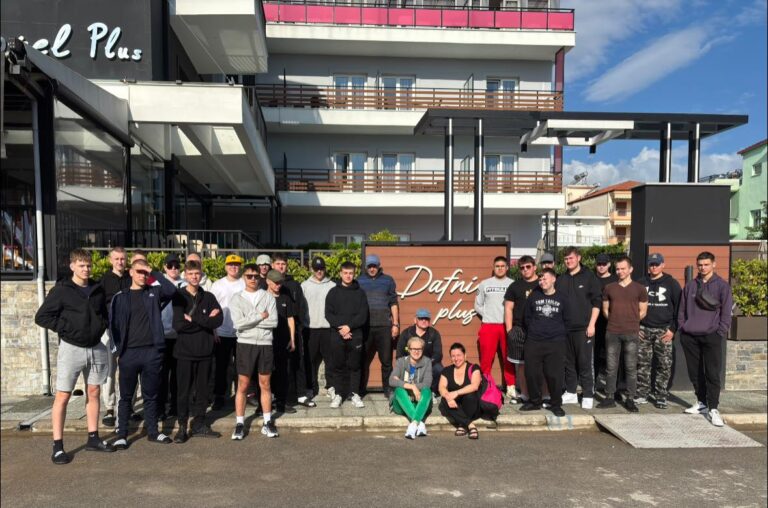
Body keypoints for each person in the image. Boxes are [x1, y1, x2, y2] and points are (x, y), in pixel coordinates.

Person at [35, 248, 115, 464]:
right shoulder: (62, 290)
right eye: (81, 265)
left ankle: (93, 438)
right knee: (63, 395)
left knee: (94, 391)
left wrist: (100, 326)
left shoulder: (97, 289)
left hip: (96, 347)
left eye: (88, 265)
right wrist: (66, 328)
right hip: (71, 349)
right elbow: (42, 317)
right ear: (72, 266)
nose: (86, 269)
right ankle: (58, 446)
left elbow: (103, 315)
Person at [109, 258, 178, 449]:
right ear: (130, 272)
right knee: (126, 397)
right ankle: (122, 434)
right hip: (129, 354)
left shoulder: (153, 293)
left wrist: (153, 271)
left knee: (151, 395)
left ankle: (153, 432)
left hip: (152, 352)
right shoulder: (120, 297)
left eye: (145, 273)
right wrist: (118, 350)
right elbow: (113, 325)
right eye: (139, 271)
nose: (143, 275)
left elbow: (171, 290)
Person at [678, 251, 733, 427]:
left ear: (714, 264)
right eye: (700, 265)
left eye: (706, 264)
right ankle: (701, 402)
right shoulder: (690, 286)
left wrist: (720, 331)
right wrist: (683, 327)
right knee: (694, 372)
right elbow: (682, 309)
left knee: (712, 373)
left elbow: (726, 312)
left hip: (712, 335)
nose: (703, 268)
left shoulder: (722, 286)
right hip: (690, 336)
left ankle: (713, 408)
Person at [172, 260, 224, 442]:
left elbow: (218, 321)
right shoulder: (178, 296)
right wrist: (205, 320)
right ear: (185, 275)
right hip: (185, 352)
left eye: (197, 273)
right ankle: (182, 427)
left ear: (201, 275)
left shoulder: (209, 297)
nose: (194, 277)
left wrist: (193, 319)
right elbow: (178, 325)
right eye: (191, 274)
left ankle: (200, 424)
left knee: (203, 392)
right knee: (183, 392)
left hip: (205, 352)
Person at [229, 263, 279, 440]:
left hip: (265, 343)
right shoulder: (236, 298)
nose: (252, 279)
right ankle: (239, 423)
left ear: (260, 277)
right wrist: (260, 316)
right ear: (244, 277)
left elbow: (273, 322)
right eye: (249, 276)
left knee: (265, 384)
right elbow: (238, 324)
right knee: (242, 384)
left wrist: (250, 321)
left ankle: (267, 421)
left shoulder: (268, 297)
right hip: (245, 344)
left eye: (256, 276)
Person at [598, 256, 648, 412]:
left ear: (630, 269)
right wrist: (615, 320)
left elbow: (643, 311)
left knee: (631, 367)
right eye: (618, 269)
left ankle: (630, 399)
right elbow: (605, 310)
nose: (620, 271)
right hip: (612, 332)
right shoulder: (609, 288)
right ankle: (609, 397)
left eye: (623, 268)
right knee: (611, 367)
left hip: (631, 333)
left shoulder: (640, 289)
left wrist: (632, 322)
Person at [555, 247, 602, 409]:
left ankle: (588, 394)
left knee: (584, 362)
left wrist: (592, 324)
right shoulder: (561, 279)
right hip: (565, 329)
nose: (568, 261)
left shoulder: (589, 277)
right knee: (569, 363)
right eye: (566, 259)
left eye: (571, 258)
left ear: (579, 258)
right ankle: (571, 392)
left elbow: (597, 303)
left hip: (584, 328)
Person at [519, 268, 567, 417]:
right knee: (532, 373)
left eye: (545, 278)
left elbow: (568, 319)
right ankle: (535, 402)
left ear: (553, 279)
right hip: (534, 341)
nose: (541, 281)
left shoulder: (562, 297)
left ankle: (556, 404)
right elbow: (527, 317)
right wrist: (534, 330)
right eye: (540, 279)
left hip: (555, 342)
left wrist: (558, 333)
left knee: (554, 375)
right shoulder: (534, 296)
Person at [637, 253, 682, 409]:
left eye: (657, 264)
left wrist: (673, 329)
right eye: (651, 264)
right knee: (642, 364)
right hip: (643, 329)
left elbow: (679, 309)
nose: (654, 267)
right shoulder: (641, 283)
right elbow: (632, 307)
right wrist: (636, 326)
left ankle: (661, 396)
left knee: (664, 365)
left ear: (663, 265)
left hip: (664, 330)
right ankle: (642, 393)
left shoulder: (672, 283)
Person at [325, 261, 369, 409]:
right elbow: (328, 314)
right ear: (340, 274)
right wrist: (342, 329)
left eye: (351, 273)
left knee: (355, 366)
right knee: (338, 365)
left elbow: (363, 315)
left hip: (355, 335)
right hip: (337, 335)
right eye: (345, 273)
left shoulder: (360, 293)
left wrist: (349, 327)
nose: (348, 276)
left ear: (354, 274)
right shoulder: (333, 292)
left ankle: (355, 394)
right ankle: (338, 394)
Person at [272, 253, 314, 407]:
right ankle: (275, 395)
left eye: (283, 264)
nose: (281, 266)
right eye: (278, 264)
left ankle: (300, 394)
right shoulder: (267, 284)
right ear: (272, 265)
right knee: (276, 365)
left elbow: (301, 306)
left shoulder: (294, 284)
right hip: (273, 331)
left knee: (298, 362)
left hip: (293, 328)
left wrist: (300, 326)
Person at [358, 254, 399, 399]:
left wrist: (395, 324)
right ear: (366, 267)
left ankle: (388, 389)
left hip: (384, 327)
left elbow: (393, 303)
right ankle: (360, 389)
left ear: (379, 266)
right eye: (369, 266)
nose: (372, 269)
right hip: (365, 328)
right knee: (363, 360)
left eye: (374, 266)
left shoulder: (388, 280)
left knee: (386, 361)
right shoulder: (359, 280)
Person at [474, 256, 515, 401]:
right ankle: (486, 385)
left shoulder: (513, 284)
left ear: (507, 268)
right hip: (489, 325)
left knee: (508, 357)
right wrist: (487, 315)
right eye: (497, 266)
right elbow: (477, 305)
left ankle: (511, 387)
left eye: (503, 266)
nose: (500, 268)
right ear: (494, 268)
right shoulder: (484, 284)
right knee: (486, 359)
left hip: (507, 326)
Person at [99, 246, 131, 427]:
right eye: (117, 259)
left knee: (129, 369)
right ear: (111, 260)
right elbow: (98, 306)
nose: (120, 262)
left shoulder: (131, 278)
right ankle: (110, 408)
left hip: (131, 332)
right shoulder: (104, 280)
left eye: (122, 259)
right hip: (111, 332)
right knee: (110, 371)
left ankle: (129, 406)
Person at [210, 253, 245, 410]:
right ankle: (219, 396)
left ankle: (243, 394)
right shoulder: (217, 285)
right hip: (221, 333)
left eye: (236, 264)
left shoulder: (244, 283)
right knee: (221, 367)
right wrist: (214, 331)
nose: (233, 267)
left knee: (242, 367)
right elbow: (211, 309)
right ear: (225, 267)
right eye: (231, 264)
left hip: (240, 333)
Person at [503, 255, 539, 403]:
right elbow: (508, 308)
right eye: (522, 268)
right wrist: (509, 330)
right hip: (520, 329)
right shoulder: (515, 286)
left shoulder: (542, 283)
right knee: (522, 365)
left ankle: (542, 395)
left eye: (528, 266)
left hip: (540, 329)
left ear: (535, 267)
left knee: (540, 363)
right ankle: (524, 394)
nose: (525, 270)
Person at [301, 256, 336, 400]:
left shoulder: (332, 285)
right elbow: (301, 308)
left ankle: (331, 387)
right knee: (309, 361)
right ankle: (310, 388)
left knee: (330, 360)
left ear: (325, 269)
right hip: (310, 328)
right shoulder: (304, 286)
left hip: (328, 329)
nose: (319, 271)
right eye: (316, 269)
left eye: (321, 269)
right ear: (312, 269)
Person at [158, 253, 186, 420]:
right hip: (161, 336)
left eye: (176, 266)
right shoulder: (156, 283)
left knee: (177, 375)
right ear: (164, 267)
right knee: (161, 375)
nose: (174, 269)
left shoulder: (185, 284)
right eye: (170, 266)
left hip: (179, 337)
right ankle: (160, 409)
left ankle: (175, 407)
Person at [266, 269, 299, 414]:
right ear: (268, 281)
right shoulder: (262, 297)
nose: (278, 285)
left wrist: (292, 339)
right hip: (266, 341)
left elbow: (290, 318)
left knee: (282, 373)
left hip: (283, 341)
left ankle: (281, 402)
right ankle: (265, 403)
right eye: (275, 282)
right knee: (266, 373)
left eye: (280, 282)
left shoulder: (285, 298)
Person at [389, 337, 433, 439]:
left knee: (427, 391)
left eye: (419, 349)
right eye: (413, 349)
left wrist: (401, 382)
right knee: (399, 390)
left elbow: (427, 383)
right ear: (408, 349)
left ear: (423, 349)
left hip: (420, 401)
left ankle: (413, 425)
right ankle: (419, 423)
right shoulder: (401, 361)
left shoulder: (427, 362)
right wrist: (412, 386)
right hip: (402, 403)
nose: (416, 351)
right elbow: (391, 380)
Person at [438, 343, 482, 440]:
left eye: (459, 355)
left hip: (472, 405)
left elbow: (474, 386)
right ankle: (470, 425)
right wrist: (449, 398)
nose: (456, 358)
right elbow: (441, 387)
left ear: (465, 355)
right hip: (456, 405)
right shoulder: (446, 370)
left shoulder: (474, 368)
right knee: (444, 400)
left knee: (470, 396)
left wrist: (456, 393)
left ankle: (462, 424)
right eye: (453, 356)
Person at [395, 308, 443, 394]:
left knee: (438, 369)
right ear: (415, 320)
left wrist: (427, 364)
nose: (424, 320)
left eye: (426, 319)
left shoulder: (434, 333)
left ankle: (432, 392)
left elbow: (438, 354)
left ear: (429, 321)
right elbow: (399, 354)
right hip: (410, 364)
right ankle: (407, 391)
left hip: (428, 364)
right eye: (421, 318)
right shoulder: (406, 333)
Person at [593, 253, 617, 393]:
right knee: (594, 356)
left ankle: (612, 388)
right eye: (599, 264)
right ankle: (592, 385)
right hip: (594, 324)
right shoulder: (591, 279)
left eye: (604, 264)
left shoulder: (615, 280)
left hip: (611, 323)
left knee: (611, 356)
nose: (601, 266)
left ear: (609, 264)